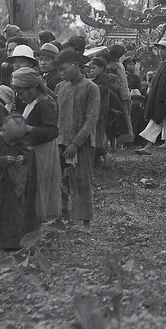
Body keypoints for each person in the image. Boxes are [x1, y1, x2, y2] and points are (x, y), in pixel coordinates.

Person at [0, 113, 39, 255]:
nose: (13, 144)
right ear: (3, 130)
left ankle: (19, 245)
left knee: (20, 215)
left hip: (19, 187)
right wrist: (3, 160)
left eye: (15, 142)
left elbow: (28, 154)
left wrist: (22, 157)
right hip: (1, 188)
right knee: (0, 216)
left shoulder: (21, 141)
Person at [55, 48, 99, 228]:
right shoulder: (60, 87)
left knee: (82, 180)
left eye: (64, 69)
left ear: (75, 65)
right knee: (61, 181)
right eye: (59, 70)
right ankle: (63, 216)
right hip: (61, 140)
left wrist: (76, 143)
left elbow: (91, 119)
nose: (61, 73)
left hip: (83, 143)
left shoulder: (91, 87)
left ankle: (85, 221)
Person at [11, 66, 61, 223]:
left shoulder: (45, 104)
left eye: (22, 92)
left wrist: (28, 129)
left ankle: (38, 220)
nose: (20, 96)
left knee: (40, 186)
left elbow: (52, 131)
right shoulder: (31, 103)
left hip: (42, 153)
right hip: (32, 152)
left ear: (33, 87)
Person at [136, 38, 166, 155]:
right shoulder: (164, 63)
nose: (160, 51)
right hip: (161, 97)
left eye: (163, 49)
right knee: (157, 120)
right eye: (160, 49)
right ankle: (148, 146)